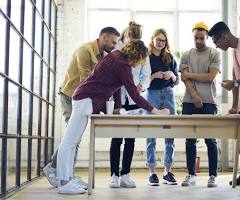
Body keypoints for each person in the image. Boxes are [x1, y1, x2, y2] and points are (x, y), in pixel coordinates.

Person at [56, 40, 170, 194]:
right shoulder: (121, 64)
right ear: (137, 55)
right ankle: (63, 182)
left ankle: (67, 179)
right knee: (69, 142)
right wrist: (157, 111)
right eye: (140, 60)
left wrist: (117, 108)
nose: (138, 64)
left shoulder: (117, 57)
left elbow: (116, 88)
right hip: (85, 99)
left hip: (86, 99)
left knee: (72, 141)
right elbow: (134, 94)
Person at [43, 27, 120, 188]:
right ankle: (57, 170)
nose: (114, 46)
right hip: (70, 96)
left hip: (82, 99)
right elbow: (87, 79)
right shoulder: (85, 50)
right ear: (104, 37)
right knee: (72, 138)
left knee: (75, 138)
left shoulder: (101, 55)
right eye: (113, 42)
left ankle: (68, 173)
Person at [208, 20, 240, 195]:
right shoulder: (235, 49)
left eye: (217, 41)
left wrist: (234, 82)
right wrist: (234, 106)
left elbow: (236, 80)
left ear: (225, 35)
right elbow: (235, 76)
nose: (216, 46)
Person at [109, 22, 151, 188]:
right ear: (125, 37)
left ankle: (125, 174)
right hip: (117, 97)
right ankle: (114, 175)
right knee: (116, 137)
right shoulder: (116, 50)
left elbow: (146, 75)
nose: (133, 44)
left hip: (134, 98)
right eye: (131, 41)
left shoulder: (142, 51)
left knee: (130, 138)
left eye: (136, 41)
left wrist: (142, 85)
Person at [179, 22, 221, 187]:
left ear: (207, 37)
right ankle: (191, 174)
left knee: (210, 140)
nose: (198, 41)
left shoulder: (214, 53)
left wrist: (190, 74)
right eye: (196, 38)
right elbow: (184, 78)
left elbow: (210, 77)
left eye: (202, 38)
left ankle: (213, 175)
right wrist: (195, 95)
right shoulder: (186, 54)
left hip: (209, 102)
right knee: (190, 140)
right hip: (190, 102)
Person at [145, 28, 179, 186]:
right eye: (158, 39)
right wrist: (153, 76)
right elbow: (142, 80)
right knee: (151, 133)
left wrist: (172, 76)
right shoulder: (146, 58)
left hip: (168, 94)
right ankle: (152, 173)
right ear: (152, 39)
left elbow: (177, 79)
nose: (160, 43)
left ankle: (167, 171)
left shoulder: (170, 57)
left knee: (170, 133)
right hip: (152, 94)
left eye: (163, 40)